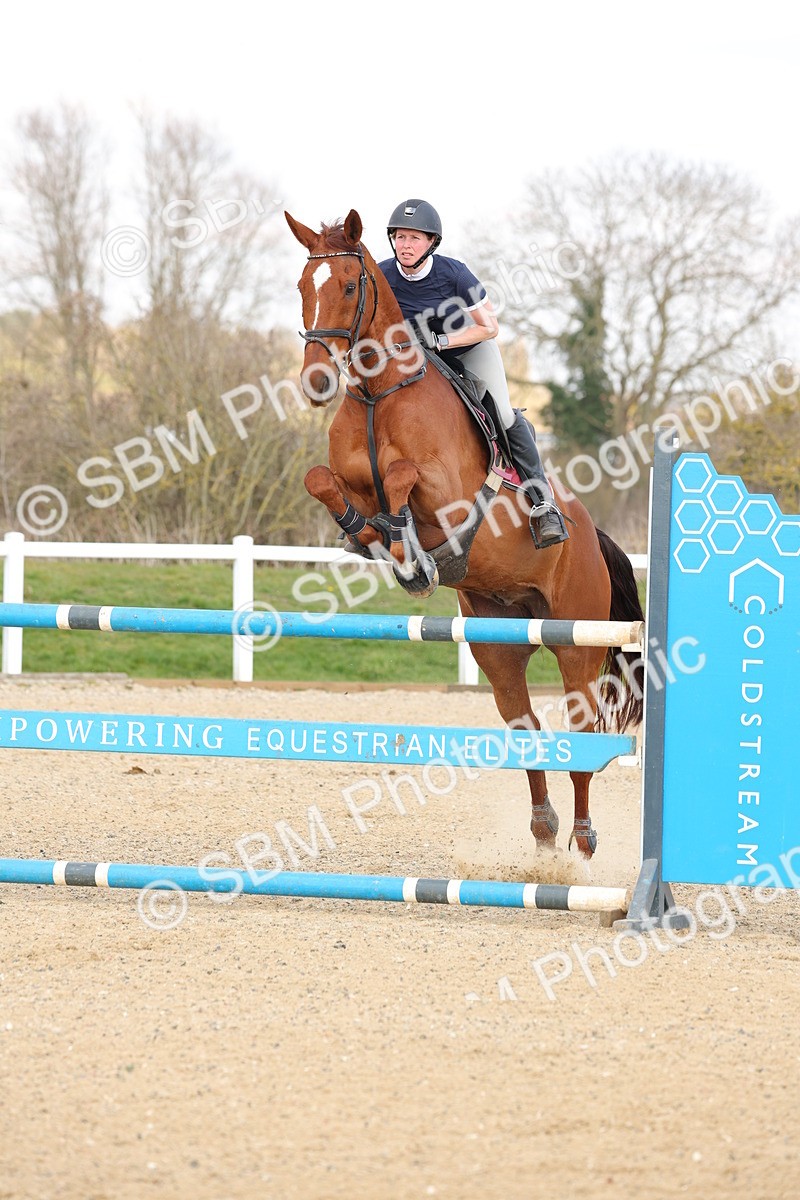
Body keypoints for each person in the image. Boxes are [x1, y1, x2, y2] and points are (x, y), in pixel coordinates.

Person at [378, 199, 568, 549]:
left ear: (431, 243)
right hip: (413, 360)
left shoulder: (454, 274)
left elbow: (490, 326)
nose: (405, 245)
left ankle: (544, 503)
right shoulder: (382, 274)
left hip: (467, 349)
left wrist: (440, 340)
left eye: (414, 238)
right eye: (400, 237)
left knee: (505, 413)